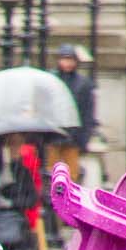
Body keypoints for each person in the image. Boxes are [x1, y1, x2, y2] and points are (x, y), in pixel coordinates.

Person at [53, 43, 96, 182]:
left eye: (70, 59)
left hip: (74, 136)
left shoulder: (83, 83)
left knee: (71, 176)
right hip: (54, 135)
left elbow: (87, 112)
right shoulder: (52, 80)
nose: (67, 63)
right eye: (64, 59)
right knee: (52, 173)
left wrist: (84, 138)